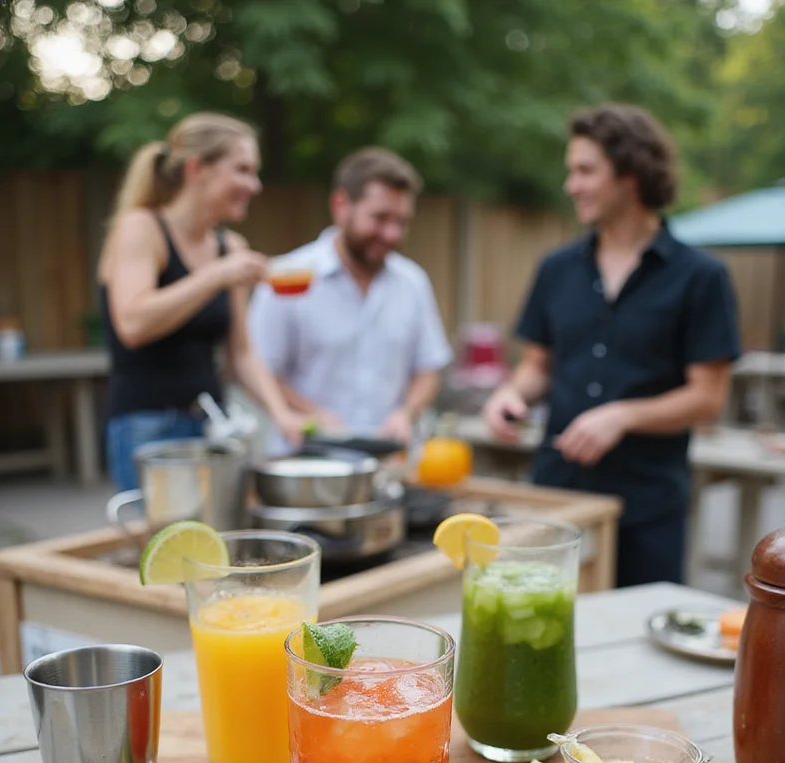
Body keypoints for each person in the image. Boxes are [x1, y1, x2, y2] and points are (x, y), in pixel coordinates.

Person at [483, 104, 741, 587]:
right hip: (557, 499)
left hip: (647, 507)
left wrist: (622, 416)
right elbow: (538, 365)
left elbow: (708, 397)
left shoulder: (701, 277)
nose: (571, 185)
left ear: (630, 174)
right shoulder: (556, 268)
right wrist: (511, 394)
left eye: (585, 170)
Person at [99, 111, 307, 490]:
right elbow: (132, 324)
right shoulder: (141, 228)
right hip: (147, 427)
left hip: (213, 423)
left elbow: (242, 353)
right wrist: (216, 275)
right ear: (197, 169)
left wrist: (282, 415)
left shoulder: (230, 246)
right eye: (242, 170)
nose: (255, 185)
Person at [247, 147, 452, 450]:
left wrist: (406, 413)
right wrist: (313, 414)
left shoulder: (413, 282)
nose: (392, 234)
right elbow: (259, 371)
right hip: (305, 458)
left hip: (389, 460)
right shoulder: (286, 277)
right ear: (341, 205)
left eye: (402, 222)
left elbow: (428, 369)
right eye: (380, 218)